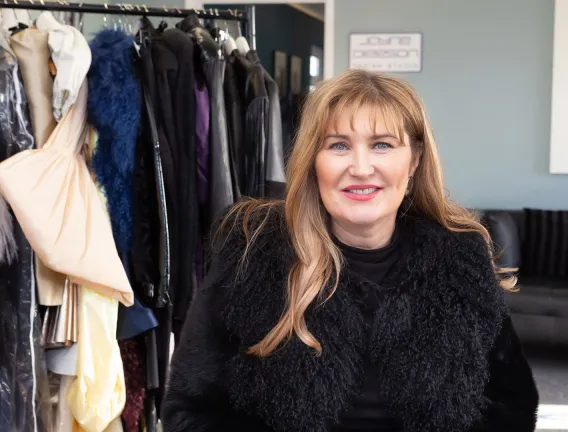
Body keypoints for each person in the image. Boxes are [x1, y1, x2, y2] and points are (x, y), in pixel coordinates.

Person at [161, 69, 539, 431]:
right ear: (313, 161)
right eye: (339, 145)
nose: (360, 168)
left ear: (414, 161)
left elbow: (511, 403)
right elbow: (191, 410)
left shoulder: (460, 258)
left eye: (382, 145)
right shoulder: (251, 253)